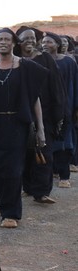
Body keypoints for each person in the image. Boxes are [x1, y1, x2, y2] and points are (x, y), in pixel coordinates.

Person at [0, 28, 46, 228]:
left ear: (14, 43)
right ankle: (4, 205)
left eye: (7, 39)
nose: (3, 42)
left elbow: (35, 100)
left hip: (18, 125)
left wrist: (40, 128)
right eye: (0, 39)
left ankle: (11, 214)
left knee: (14, 170)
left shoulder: (26, 67)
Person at [16, 26, 65, 203]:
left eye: (32, 38)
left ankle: (42, 191)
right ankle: (28, 187)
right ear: (19, 42)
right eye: (25, 38)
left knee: (45, 152)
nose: (29, 41)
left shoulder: (45, 59)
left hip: (46, 112)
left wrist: (59, 112)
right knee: (26, 153)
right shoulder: (15, 60)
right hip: (20, 112)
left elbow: (56, 86)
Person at [41, 32, 78, 188]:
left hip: (66, 107)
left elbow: (76, 85)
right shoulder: (39, 62)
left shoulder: (69, 62)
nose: (45, 44)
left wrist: (75, 107)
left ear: (57, 45)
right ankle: (51, 172)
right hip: (46, 109)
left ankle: (64, 176)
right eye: (43, 42)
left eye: (49, 42)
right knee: (48, 142)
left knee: (65, 140)